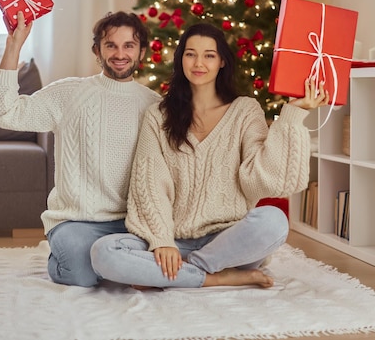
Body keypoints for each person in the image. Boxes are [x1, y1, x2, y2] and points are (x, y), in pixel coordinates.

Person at [90, 23, 329, 289]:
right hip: (174, 241)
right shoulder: (158, 115)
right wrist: (162, 241)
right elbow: (149, 186)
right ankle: (216, 278)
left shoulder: (245, 110)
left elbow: (261, 179)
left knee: (274, 221)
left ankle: (181, 273)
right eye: (190, 54)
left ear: (222, 62)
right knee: (103, 252)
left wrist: (293, 114)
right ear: (181, 59)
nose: (198, 63)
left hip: (229, 241)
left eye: (209, 55)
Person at [0, 10, 161, 287]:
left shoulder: (153, 104)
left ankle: (116, 263)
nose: (120, 54)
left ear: (141, 52)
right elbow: (1, 113)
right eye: (111, 45)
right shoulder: (69, 93)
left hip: (131, 224)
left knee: (165, 258)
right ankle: (77, 258)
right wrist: (13, 46)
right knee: (82, 275)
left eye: (129, 46)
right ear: (97, 50)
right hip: (76, 222)